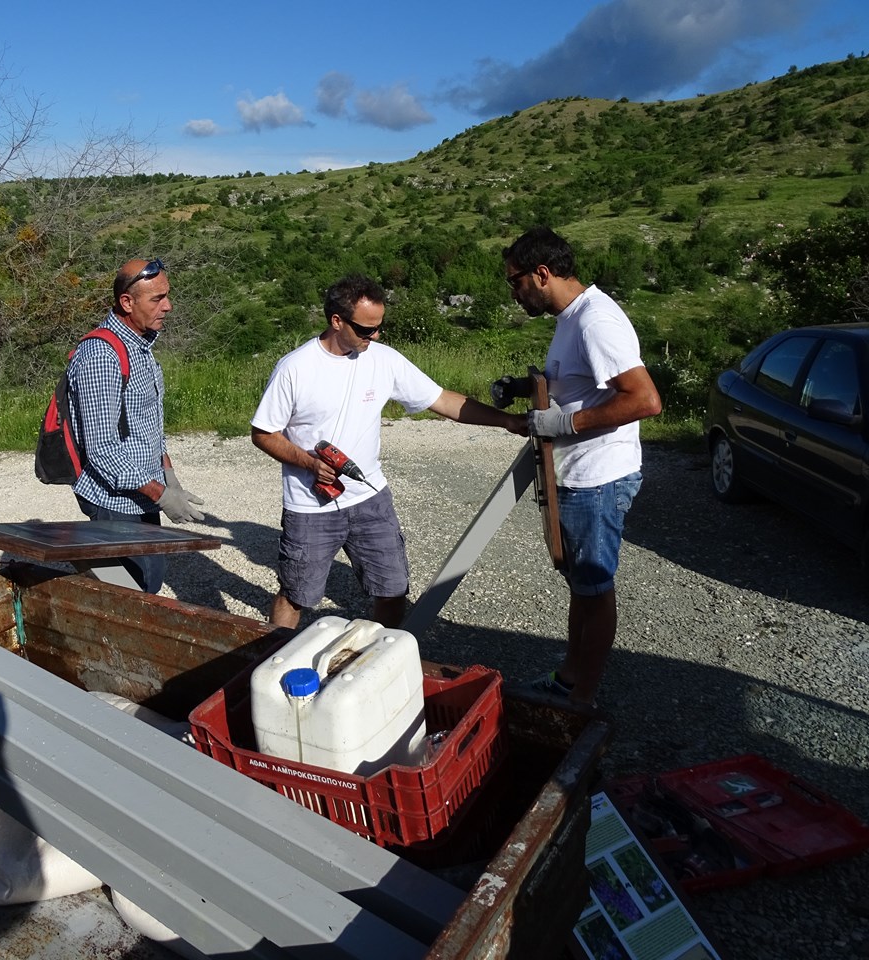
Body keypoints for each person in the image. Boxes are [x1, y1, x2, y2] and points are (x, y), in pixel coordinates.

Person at [251, 274, 527, 630]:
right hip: (310, 508)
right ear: (337, 321)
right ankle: (273, 662)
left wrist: (506, 422)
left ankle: (382, 657)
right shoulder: (295, 368)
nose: (375, 336)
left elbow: (443, 400)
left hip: (371, 499)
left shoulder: (384, 360)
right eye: (366, 330)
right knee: (295, 594)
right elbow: (263, 433)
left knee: (393, 589)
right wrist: (309, 462)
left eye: (379, 327)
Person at [502, 227, 662, 707]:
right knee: (582, 586)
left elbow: (645, 399)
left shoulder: (595, 321)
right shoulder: (572, 317)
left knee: (595, 590)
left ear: (542, 273)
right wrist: (524, 388)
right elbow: (579, 384)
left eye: (516, 281)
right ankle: (569, 679)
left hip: (597, 479)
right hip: (579, 474)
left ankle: (581, 700)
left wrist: (565, 422)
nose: (514, 292)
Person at [70, 257, 205, 593]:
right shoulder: (102, 356)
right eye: (157, 299)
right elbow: (103, 451)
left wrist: (168, 475)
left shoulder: (140, 347)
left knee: (147, 582)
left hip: (143, 494)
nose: (168, 306)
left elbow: (148, 425)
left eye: (167, 295)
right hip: (114, 501)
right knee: (131, 593)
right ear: (127, 303)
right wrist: (162, 495)